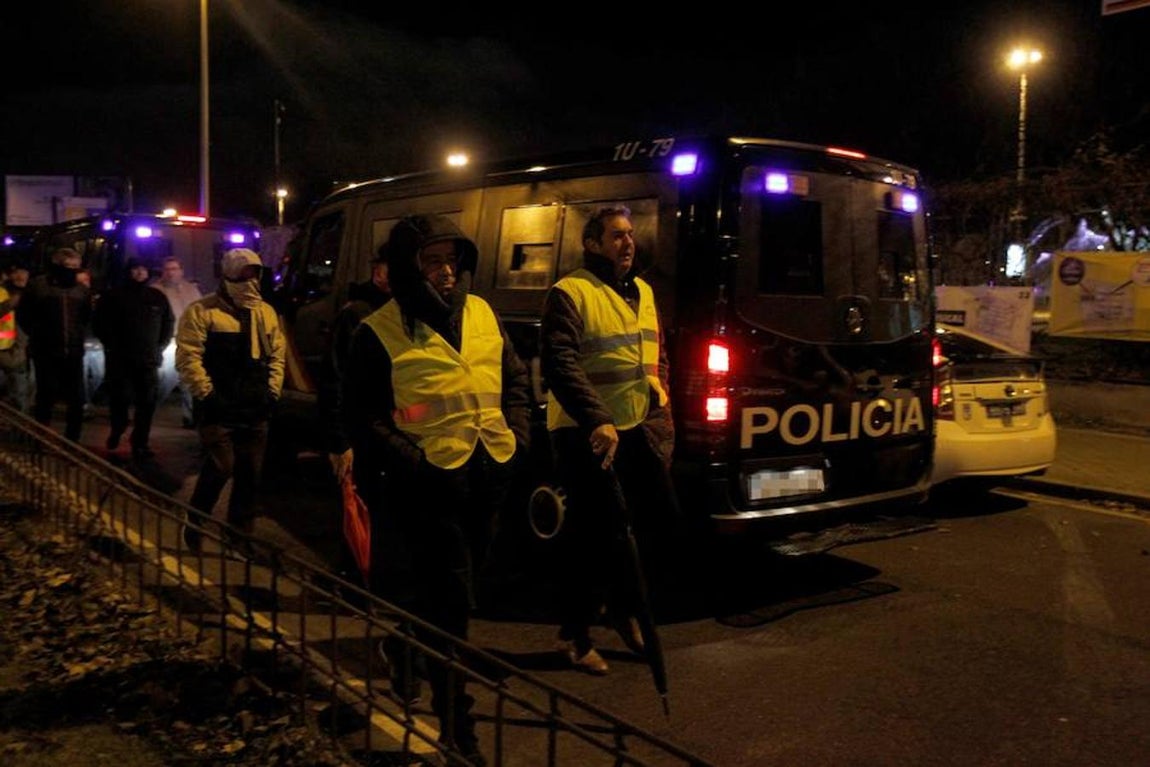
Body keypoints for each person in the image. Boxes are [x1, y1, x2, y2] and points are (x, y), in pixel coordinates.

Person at [342, 214, 530, 765]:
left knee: (457, 591)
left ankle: (403, 646)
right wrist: (417, 464)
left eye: (453, 260)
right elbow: (364, 418)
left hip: (488, 473)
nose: (447, 272)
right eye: (432, 262)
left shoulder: (481, 312)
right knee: (452, 606)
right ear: (407, 268)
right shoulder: (377, 331)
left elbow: (514, 380)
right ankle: (457, 727)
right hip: (426, 487)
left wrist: (518, 438)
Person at [539, 205, 679, 675]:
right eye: (616, 236)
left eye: (630, 235)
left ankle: (623, 611)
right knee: (595, 535)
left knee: (655, 524)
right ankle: (574, 637)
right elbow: (561, 362)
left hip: (636, 427)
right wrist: (596, 417)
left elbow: (655, 360)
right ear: (593, 244)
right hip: (585, 432)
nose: (627, 243)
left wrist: (661, 416)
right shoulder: (571, 292)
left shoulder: (641, 290)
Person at [176, 248, 285, 550]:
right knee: (222, 466)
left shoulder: (265, 312)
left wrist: (271, 392)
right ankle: (196, 520)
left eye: (256, 274)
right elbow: (188, 356)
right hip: (218, 407)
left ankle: (240, 535)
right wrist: (207, 395)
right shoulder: (202, 312)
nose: (252, 281)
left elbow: (277, 354)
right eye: (246, 274)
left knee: (250, 474)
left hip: (254, 407)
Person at [93, 258, 175, 460]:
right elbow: (100, 323)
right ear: (128, 272)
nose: (140, 273)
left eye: (143, 269)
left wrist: (160, 347)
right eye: (135, 269)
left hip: (147, 360)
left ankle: (140, 442)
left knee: (147, 403)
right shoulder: (113, 296)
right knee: (119, 399)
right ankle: (117, 428)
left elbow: (168, 323)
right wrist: (111, 346)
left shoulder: (156, 297)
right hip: (119, 359)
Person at [20, 247, 92, 440]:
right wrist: (40, 335)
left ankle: (72, 440)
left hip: (73, 350)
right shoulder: (39, 286)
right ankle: (41, 436)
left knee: (76, 398)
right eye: (69, 266)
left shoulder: (81, 290)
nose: (73, 270)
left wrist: (77, 337)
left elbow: (85, 318)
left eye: (76, 267)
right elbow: (24, 315)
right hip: (46, 350)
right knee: (46, 395)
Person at [151, 257, 203, 427]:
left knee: (188, 381)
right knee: (165, 381)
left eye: (174, 268)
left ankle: (190, 417)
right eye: (167, 269)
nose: (171, 272)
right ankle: (148, 408)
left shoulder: (191, 290)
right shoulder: (156, 291)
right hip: (168, 342)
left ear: (181, 271)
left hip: (189, 342)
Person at [0, 263, 31, 413]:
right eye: (17, 272)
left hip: (20, 347)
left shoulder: (31, 292)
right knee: (17, 387)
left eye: (24, 272)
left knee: (23, 388)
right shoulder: (5, 292)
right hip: (7, 348)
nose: (21, 276)